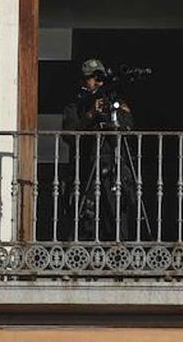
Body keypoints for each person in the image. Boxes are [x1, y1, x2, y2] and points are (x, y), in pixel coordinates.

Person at [62, 58, 140, 240]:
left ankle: (118, 251)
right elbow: (69, 134)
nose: (97, 82)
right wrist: (91, 114)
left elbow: (128, 126)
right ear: (83, 81)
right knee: (86, 220)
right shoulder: (76, 106)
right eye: (92, 78)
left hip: (114, 169)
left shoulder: (115, 103)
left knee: (118, 216)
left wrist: (114, 111)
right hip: (87, 170)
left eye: (100, 78)